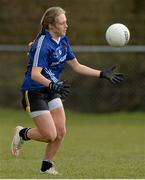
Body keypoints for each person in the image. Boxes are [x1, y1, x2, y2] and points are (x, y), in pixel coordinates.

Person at [11, 7, 124, 175]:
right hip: (34, 91)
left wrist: (102, 74)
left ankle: (47, 166)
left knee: (61, 131)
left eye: (66, 22)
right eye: (62, 23)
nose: (66, 26)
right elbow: (35, 75)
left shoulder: (62, 40)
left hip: (52, 88)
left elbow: (77, 66)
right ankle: (22, 133)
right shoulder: (43, 44)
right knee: (50, 135)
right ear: (50, 25)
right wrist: (52, 85)